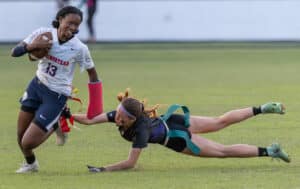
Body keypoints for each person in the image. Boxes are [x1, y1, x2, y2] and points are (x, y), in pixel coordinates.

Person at [72, 90, 291, 172]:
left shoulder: (141, 131)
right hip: (175, 121)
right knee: (219, 121)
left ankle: (270, 151)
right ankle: (262, 109)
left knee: (224, 151)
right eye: (117, 113)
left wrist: (104, 169)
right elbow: (91, 120)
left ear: (133, 119)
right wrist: (67, 115)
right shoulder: (123, 116)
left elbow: (130, 163)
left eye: (120, 117)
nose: (115, 118)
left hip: (178, 140)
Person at [11, 6, 102, 173]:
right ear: (60, 19)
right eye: (70, 23)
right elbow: (14, 52)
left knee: (27, 142)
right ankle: (31, 164)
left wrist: (96, 106)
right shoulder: (43, 34)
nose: (73, 28)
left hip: (56, 95)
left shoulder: (80, 48)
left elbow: (93, 74)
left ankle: (56, 124)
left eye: (77, 25)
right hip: (36, 86)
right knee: (20, 135)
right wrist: (32, 46)